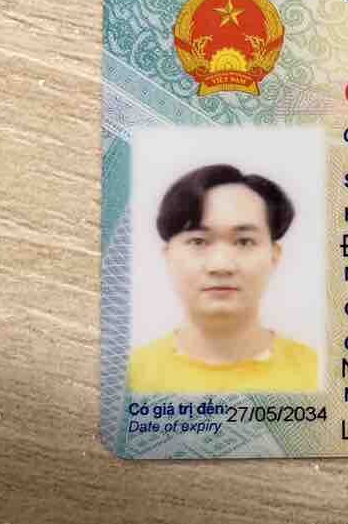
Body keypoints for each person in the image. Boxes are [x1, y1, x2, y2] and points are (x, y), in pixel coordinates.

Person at [128, 164, 319, 392]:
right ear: (168, 255)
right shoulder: (129, 378)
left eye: (244, 241)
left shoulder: (318, 375)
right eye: (198, 241)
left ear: (274, 255)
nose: (221, 265)